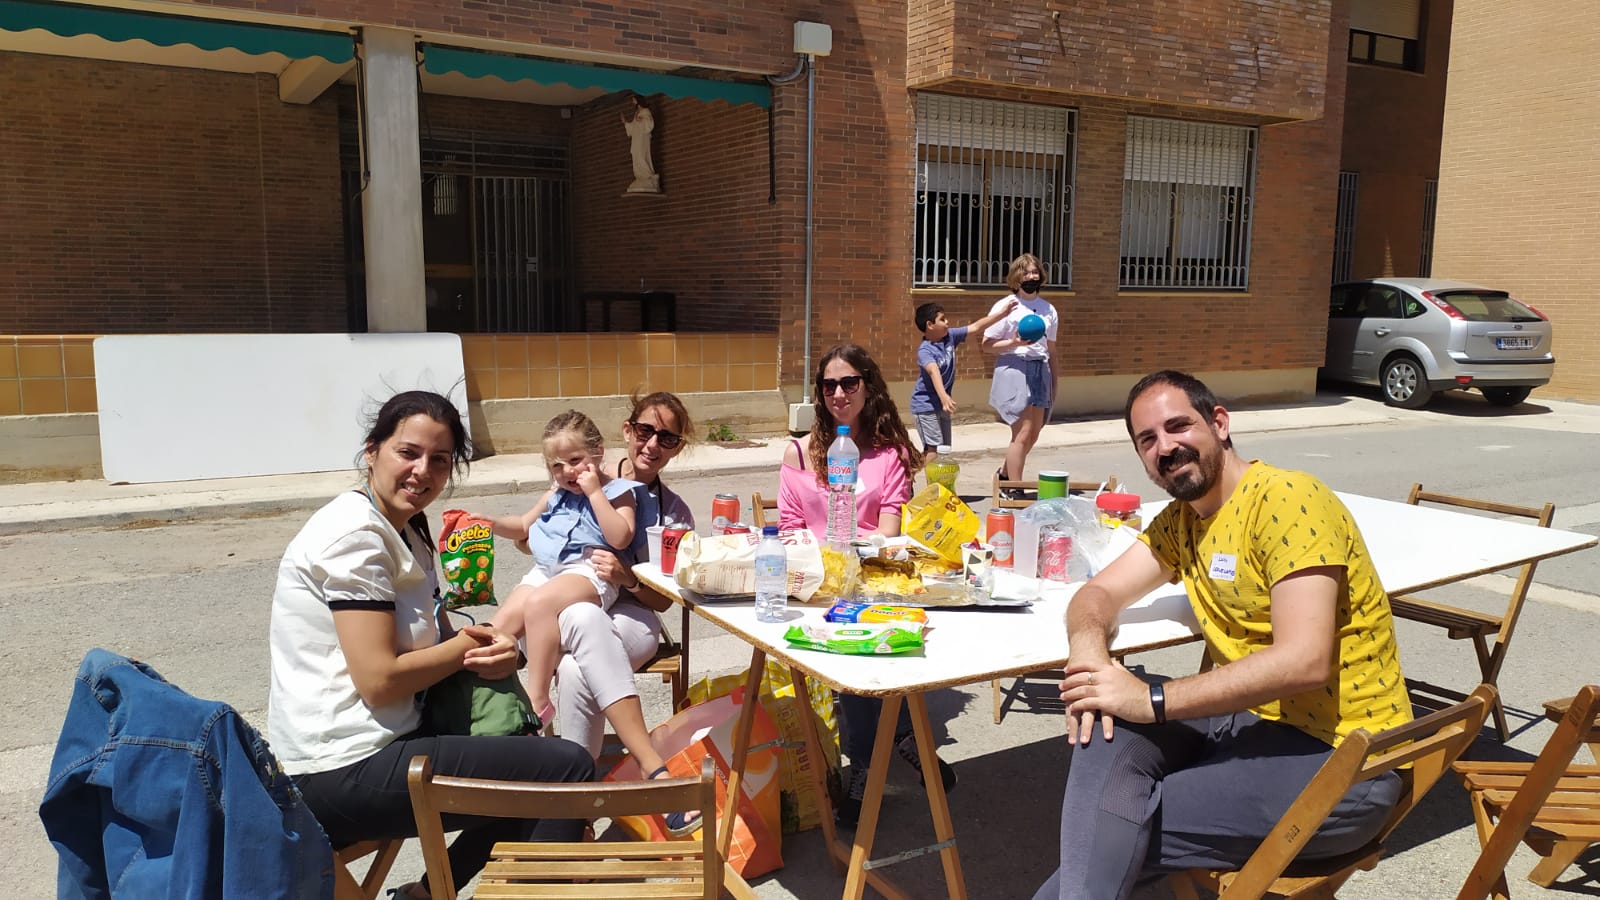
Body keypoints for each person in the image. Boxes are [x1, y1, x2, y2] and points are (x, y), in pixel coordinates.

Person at [1032, 371, 1412, 900]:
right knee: (1104, 729)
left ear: (1219, 423)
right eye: (1147, 440)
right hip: (1254, 724)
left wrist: (1151, 700)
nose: (1165, 447)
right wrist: (1091, 660)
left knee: (1110, 829)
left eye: (1178, 426)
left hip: (1345, 761)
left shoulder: (1285, 498)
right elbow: (1095, 595)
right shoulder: (1181, 521)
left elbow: (1304, 660)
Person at [267, 391, 594, 900]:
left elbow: (436, 637)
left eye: (439, 460)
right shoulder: (354, 536)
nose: (423, 471)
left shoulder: (405, 526)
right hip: (339, 765)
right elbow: (379, 681)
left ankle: (423, 895)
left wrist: (496, 647)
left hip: (384, 739)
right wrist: (465, 646)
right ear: (372, 451)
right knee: (565, 770)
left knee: (530, 756)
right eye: (408, 452)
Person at [482, 405, 699, 834]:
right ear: (627, 431)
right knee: (575, 619)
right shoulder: (572, 477)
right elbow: (532, 536)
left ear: (678, 448)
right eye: (645, 431)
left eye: (668, 438)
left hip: (631, 614)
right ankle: (650, 773)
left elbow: (663, 602)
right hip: (562, 603)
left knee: (577, 650)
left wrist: (626, 577)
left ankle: (570, 806)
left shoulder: (671, 511)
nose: (653, 444)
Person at [777, 344, 953, 827]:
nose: (839, 393)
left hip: (870, 579)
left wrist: (860, 550)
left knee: (873, 637)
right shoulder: (799, 452)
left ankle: (865, 768)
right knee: (856, 645)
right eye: (829, 385)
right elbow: (790, 527)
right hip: (815, 584)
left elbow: (890, 530)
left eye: (849, 383)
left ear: (867, 387)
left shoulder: (888, 453)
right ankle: (901, 740)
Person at [483, 410, 638, 727]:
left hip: (589, 570)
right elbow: (523, 525)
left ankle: (537, 699)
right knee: (496, 629)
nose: (567, 471)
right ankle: (484, 701)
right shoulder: (556, 493)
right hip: (547, 569)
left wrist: (595, 493)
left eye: (575, 460)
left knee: (538, 603)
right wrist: (488, 523)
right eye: (557, 465)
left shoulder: (618, 491)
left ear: (598, 452)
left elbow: (620, 537)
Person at [982, 253, 1059, 497]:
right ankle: (1014, 488)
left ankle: (1004, 476)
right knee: (1022, 431)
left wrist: (1054, 380)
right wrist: (1014, 342)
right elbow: (986, 344)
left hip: (1040, 367)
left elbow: (1051, 349)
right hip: (1014, 366)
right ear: (1016, 276)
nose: (1031, 276)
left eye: (1035, 272)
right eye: (1026, 272)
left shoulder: (1048, 309)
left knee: (1034, 432)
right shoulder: (1006, 306)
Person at [909, 298, 1017, 465]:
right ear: (930, 325)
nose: (947, 322)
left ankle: (938, 480)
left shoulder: (950, 337)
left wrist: (1002, 314)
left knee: (944, 449)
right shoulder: (925, 350)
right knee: (933, 448)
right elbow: (933, 371)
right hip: (925, 406)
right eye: (942, 319)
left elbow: (976, 327)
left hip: (942, 405)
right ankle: (913, 476)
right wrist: (943, 396)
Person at [622, 94, 660, 193]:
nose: (632, 101)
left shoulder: (645, 111)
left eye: (633, 99)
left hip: (642, 139)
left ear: (638, 100)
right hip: (636, 139)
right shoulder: (637, 113)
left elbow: (649, 123)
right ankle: (640, 177)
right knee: (636, 157)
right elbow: (634, 127)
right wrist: (625, 123)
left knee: (642, 155)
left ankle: (648, 176)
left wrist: (642, 120)